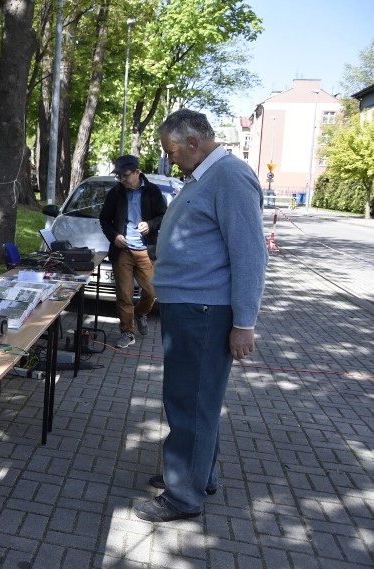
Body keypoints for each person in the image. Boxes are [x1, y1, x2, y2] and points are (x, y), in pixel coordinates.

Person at [133, 109, 268, 523]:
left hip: (204, 311)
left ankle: (183, 496)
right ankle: (196, 474)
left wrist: (245, 323)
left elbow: (250, 254)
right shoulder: (205, 177)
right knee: (197, 401)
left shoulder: (229, 176)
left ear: (194, 142)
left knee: (189, 401)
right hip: (189, 308)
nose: (168, 159)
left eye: (170, 151)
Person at [99, 155, 167, 349]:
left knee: (151, 291)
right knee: (124, 295)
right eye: (119, 176)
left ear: (137, 172)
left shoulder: (153, 192)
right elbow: (104, 219)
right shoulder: (115, 193)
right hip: (123, 252)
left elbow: (163, 215)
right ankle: (127, 332)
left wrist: (151, 224)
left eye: (125, 175)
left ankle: (140, 313)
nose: (122, 179)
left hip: (146, 251)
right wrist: (114, 236)